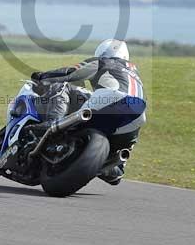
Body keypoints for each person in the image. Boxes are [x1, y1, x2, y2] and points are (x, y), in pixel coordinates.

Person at [30, 39, 146, 185]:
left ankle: (51, 123)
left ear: (103, 53)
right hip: (137, 115)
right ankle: (113, 166)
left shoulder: (103, 61)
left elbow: (71, 73)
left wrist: (42, 76)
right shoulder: (135, 73)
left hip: (112, 100)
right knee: (117, 168)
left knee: (62, 86)